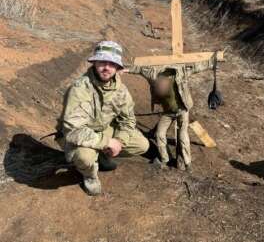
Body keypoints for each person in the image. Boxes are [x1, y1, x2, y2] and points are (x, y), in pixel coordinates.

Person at [61, 41, 149, 196]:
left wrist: (120, 141)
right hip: (80, 134)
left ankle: (101, 155)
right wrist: (107, 142)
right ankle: (89, 175)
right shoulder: (80, 89)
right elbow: (73, 130)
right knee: (84, 157)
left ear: (118, 68)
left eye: (112, 63)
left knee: (142, 144)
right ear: (95, 63)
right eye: (102, 62)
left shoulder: (121, 91)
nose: (106, 68)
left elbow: (128, 121)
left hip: (104, 129)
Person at [126, 61, 213, 171]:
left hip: (182, 110)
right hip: (167, 113)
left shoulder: (180, 73)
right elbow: (140, 70)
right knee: (159, 134)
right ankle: (164, 160)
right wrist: (127, 69)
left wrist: (211, 63)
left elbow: (196, 67)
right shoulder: (154, 76)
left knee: (183, 136)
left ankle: (187, 163)